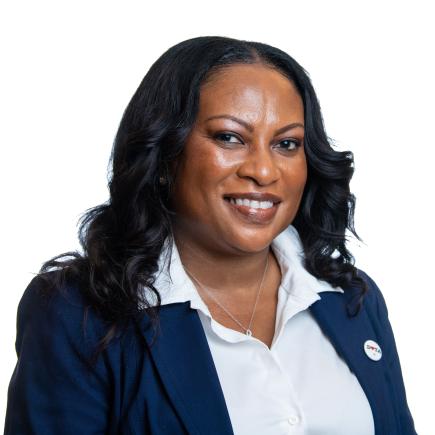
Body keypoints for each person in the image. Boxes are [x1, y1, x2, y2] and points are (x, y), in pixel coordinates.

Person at [4, 36, 417, 435]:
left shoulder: (352, 298)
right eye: (229, 138)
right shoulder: (76, 312)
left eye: (287, 144)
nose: (264, 171)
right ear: (165, 154)